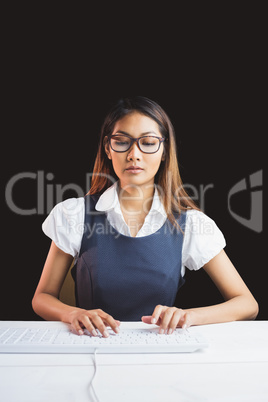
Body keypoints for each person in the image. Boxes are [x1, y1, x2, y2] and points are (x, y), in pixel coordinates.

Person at [32, 96, 258, 338]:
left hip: (158, 351)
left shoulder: (189, 223)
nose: (134, 154)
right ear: (108, 148)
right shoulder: (74, 214)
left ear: (164, 151)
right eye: (122, 142)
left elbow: (247, 304)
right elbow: (42, 297)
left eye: (148, 143)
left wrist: (188, 316)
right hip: (91, 347)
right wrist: (72, 314)